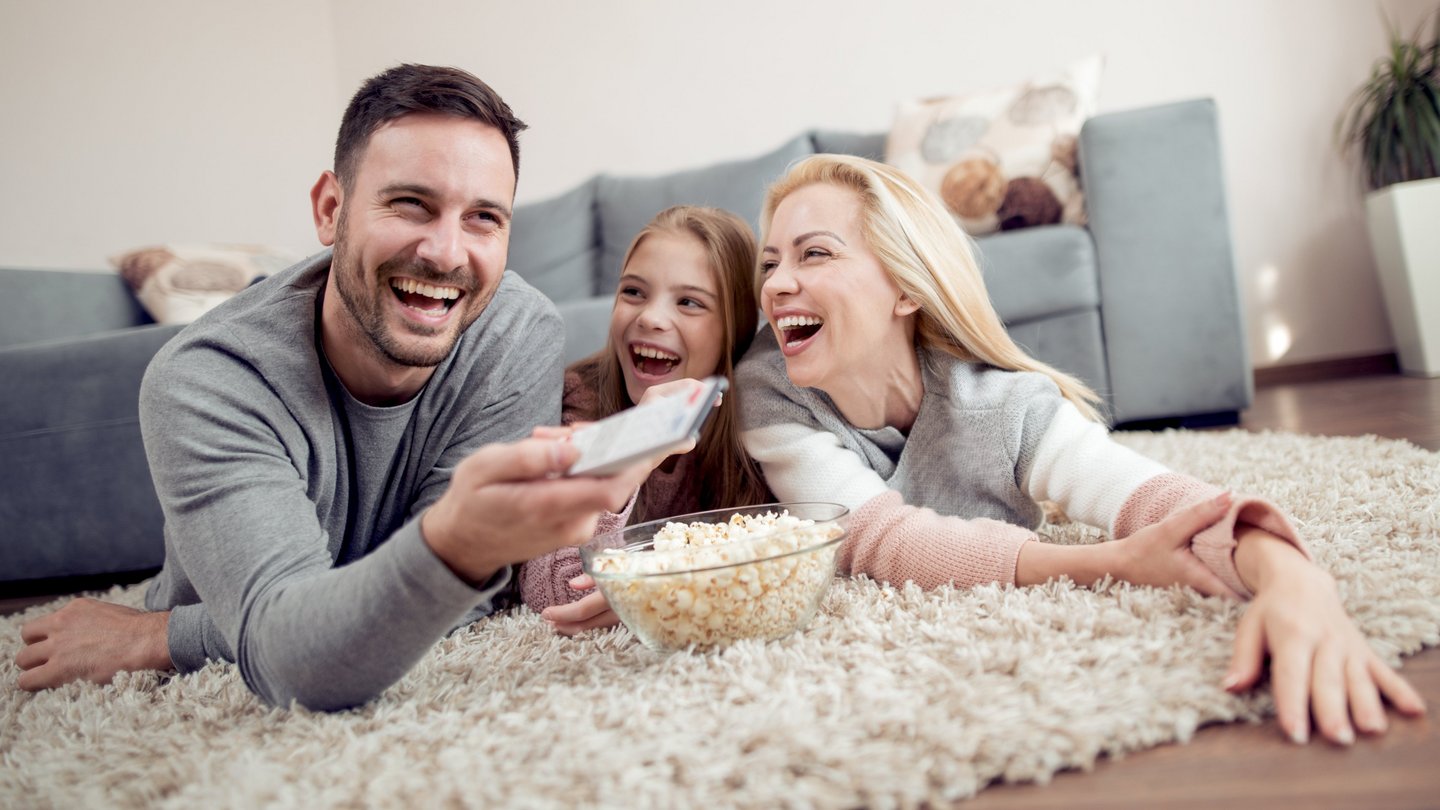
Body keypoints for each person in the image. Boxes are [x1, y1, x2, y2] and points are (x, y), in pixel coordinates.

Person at [14, 64, 652, 711]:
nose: (446, 252)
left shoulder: (516, 330)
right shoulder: (204, 381)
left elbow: (452, 605)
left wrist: (171, 634)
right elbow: (301, 665)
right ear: (330, 208)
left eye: (483, 217)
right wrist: (461, 546)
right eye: (411, 204)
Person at [736, 154, 1426, 746]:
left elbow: (1150, 496)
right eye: (770, 263)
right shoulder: (766, 391)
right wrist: (1110, 562)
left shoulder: (1002, 405)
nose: (776, 285)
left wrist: (1291, 577)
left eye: (814, 253)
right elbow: (876, 539)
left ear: (908, 286)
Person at [518, 205, 772, 635]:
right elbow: (555, 595)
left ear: (735, 329)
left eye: (689, 302)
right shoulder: (577, 404)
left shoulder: (756, 416)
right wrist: (633, 445)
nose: (650, 318)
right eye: (633, 292)